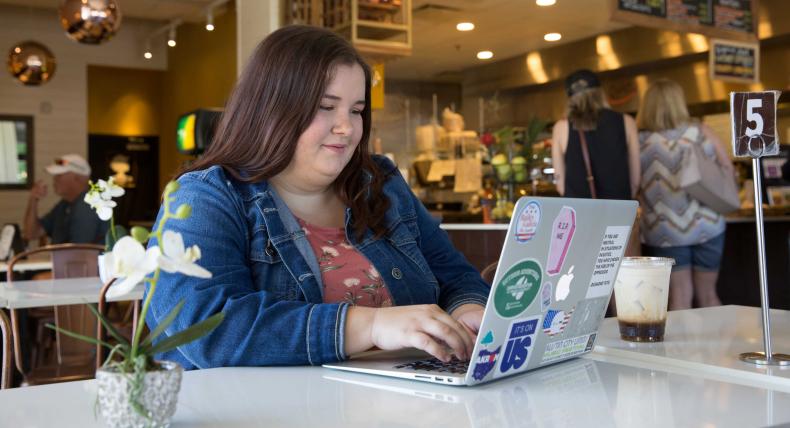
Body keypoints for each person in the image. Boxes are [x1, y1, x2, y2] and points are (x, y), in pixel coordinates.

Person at [145, 25, 489, 369]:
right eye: (326, 106)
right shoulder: (208, 196)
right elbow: (207, 328)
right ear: (270, 109)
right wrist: (371, 325)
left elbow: (455, 276)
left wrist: (469, 310)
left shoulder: (379, 182)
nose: (348, 128)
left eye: (356, 110)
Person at [636, 79, 733, 310]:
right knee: (709, 296)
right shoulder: (701, 132)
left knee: (679, 298)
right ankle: (719, 347)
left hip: (665, 231)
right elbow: (728, 168)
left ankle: (687, 348)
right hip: (708, 226)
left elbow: (632, 185)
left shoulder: (640, 141)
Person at [551, 69, 641, 201]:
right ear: (600, 93)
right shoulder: (627, 122)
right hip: (618, 212)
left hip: (580, 214)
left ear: (570, 98)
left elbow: (560, 186)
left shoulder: (560, 128)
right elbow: (635, 181)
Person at [23, 154, 107, 245]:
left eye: (59, 175)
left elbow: (79, 252)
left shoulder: (88, 205)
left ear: (77, 178)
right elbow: (30, 233)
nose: (54, 179)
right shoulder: (65, 204)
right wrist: (33, 199)